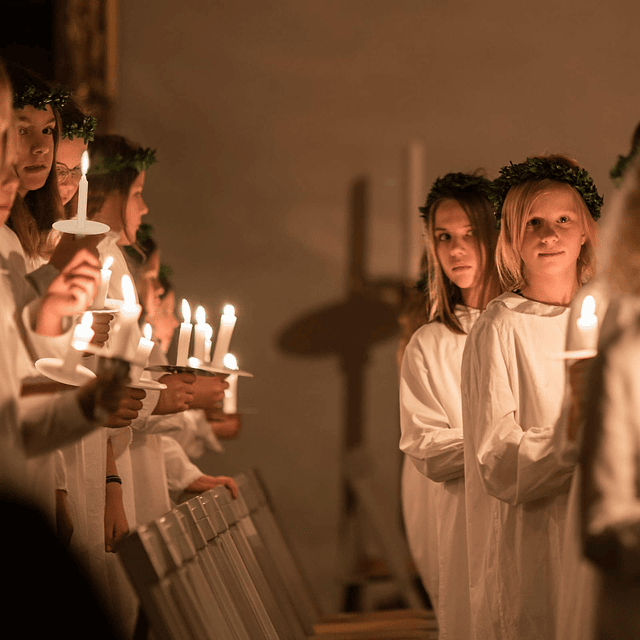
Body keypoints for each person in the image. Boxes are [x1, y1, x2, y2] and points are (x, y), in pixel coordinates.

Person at [461, 155, 601, 639]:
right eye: (533, 223)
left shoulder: (611, 316)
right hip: (539, 536)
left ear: (585, 230)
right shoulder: (499, 326)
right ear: (511, 238)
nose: (549, 235)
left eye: (564, 220)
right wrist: (570, 437)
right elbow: (496, 456)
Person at [399, 172, 501, 638]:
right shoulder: (430, 344)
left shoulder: (526, 324)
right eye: (444, 237)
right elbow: (425, 445)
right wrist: (505, 449)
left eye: (470, 235)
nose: (456, 250)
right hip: (459, 523)